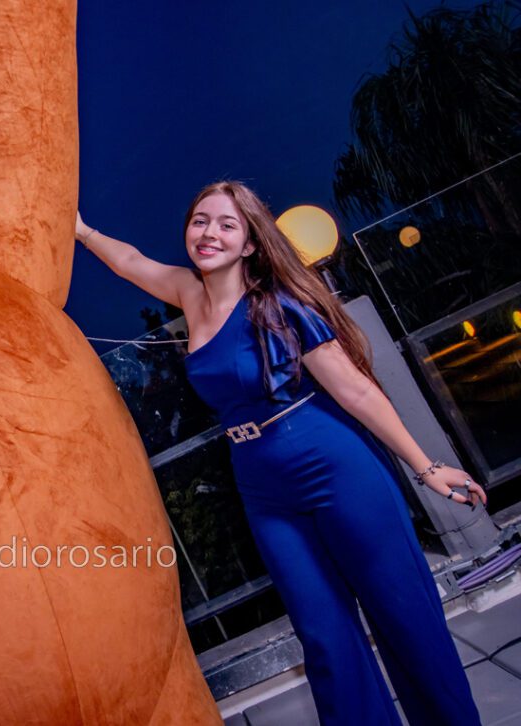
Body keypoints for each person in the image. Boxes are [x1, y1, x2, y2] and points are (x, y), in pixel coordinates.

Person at [76, 180, 484, 726]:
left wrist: (427, 466)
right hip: (263, 489)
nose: (209, 233)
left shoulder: (279, 305)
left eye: (226, 224)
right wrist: (80, 230)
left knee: (404, 615)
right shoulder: (190, 294)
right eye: (200, 221)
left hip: (336, 468)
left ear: (249, 243)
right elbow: (130, 261)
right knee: (324, 638)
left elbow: (356, 392)